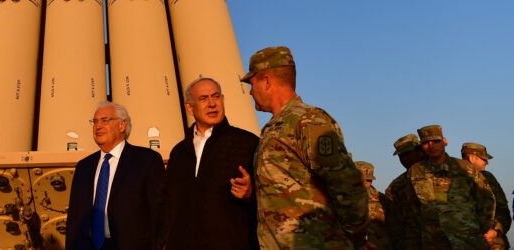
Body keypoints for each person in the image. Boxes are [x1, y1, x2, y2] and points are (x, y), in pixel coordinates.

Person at [242, 46, 370, 249]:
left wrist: (354, 239)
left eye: (252, 82)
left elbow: (347, 185)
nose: (250, 91)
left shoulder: (307, 121)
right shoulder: (274, 128)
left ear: (266, 81)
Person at [159, 77, 260, 249]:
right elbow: (169, 206)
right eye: (203, 99)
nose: (212, 104)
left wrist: (251, 193)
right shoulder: (179, 153)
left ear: (223, 100)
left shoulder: (248, 143)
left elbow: (270, 199)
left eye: (216, 96)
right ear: (190, 108)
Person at [65, 102, 164, 250]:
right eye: (95, 121)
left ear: (122, 125)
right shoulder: (84, 167)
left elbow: (160, 213)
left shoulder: (147, 160)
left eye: (105, 120)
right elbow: (74, 219)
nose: (98, 126)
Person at [399, 125, 495, 249]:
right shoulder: (415, 172)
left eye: (436, 141)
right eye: (426, 143)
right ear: (421, 146)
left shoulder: (465, 168)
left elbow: (486, 200)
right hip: (433, 243)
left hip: (468, 241)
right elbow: (410, 209)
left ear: (444, 142)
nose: (431, 146)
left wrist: (477, 231)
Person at [462, 142, 511, 249]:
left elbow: (501, 210)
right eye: (483, 159)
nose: (486, 163)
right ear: (472, 158)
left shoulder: (452, 178)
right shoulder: (486, 178)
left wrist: (495, 232)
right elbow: (502, 209)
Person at [384, 133, 426, 249]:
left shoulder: (442, 173)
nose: (404, 159)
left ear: (419, 151)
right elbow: (394, 222)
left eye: (407, 154)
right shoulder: (397, 185)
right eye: (401, 156)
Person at [356, 161, 392, 249]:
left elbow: (394, 226)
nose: (365, 182)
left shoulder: (382, 200)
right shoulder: (342, 199)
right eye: (361, 179)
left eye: (368, 180)